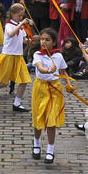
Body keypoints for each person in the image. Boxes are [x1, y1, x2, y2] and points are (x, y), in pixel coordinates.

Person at [29, 28, 70, 163]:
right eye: (42, 39)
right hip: (40, 88)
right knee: (38, 116)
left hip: (54, 89)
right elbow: (40, 67)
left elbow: (63, 71)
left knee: (51, 119)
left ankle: (50, 149)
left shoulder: (58, 56)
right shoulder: (37, 55)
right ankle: (36, 143)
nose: (44, 42)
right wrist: (48, 70)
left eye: (47, 40)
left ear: (53, 42)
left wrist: (68, 83)